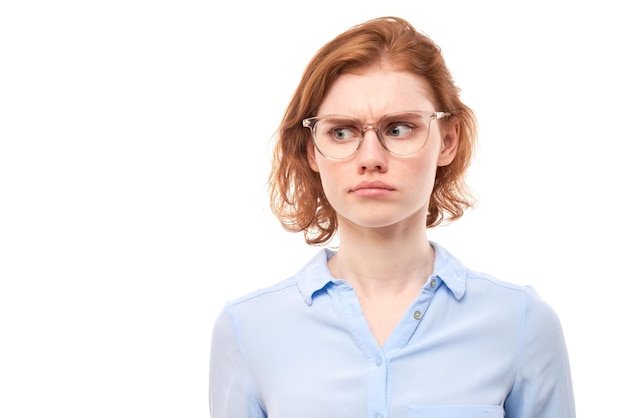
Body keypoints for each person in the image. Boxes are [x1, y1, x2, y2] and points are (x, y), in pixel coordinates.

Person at [209, 16, 576, 418]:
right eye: (342, 132)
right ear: (312, 150)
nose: (370, 159)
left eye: (399, 128)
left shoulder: (521, 324)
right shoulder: (248, 329)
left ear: (447, 141)